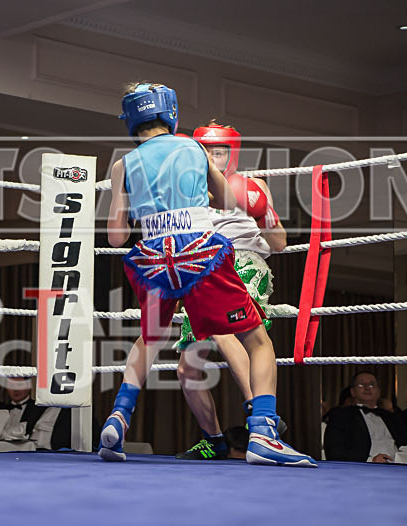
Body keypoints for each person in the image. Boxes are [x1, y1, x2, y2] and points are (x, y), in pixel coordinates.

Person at [102, 81, 315, 466]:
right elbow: (227, 200)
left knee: (149, 337)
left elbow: (116, 236)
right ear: (170, 112)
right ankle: (264, 431)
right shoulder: (192, 148)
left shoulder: (122, 164)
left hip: (151, 255)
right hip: (199, 251)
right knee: (257, 340)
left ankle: (119, 414)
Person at [172, 121, 288, 461]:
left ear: (232, 154)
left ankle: (262, 419)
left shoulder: (254, 185)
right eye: (205, 150)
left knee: (226, 331)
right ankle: (215, 440)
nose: (211, 157)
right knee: (187, 369)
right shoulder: (186, 192)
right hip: (202, 268)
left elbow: (279, 243)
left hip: (244, 263)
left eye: (218, 151)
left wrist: (263, 211)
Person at [324, 371, 407, 462]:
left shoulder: (391, 417)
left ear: (378, 391)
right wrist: (370, 460)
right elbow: (334, 451)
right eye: (361, 385)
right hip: (364, 469)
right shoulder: (341, 415)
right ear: (352, 392)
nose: (367, 387)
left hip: (400, 465)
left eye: (372, 385)